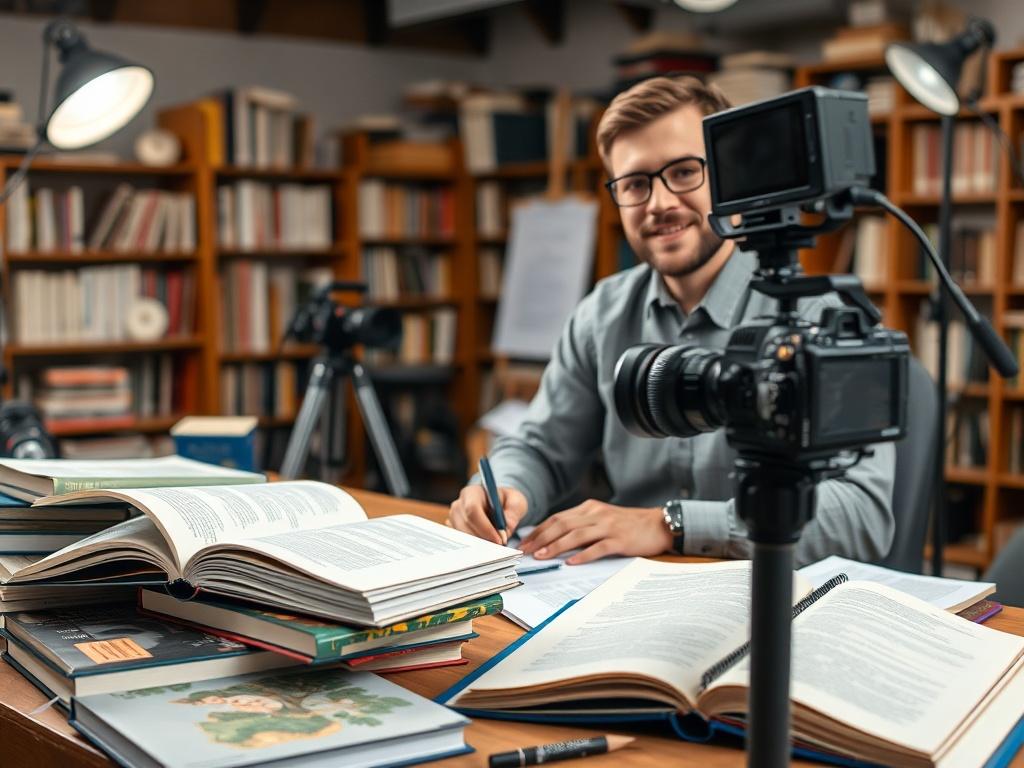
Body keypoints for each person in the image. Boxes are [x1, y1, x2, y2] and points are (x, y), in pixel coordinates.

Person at [448, 76, 895, 568]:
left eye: (684, 172)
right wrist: (503, 488)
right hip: (629, 594)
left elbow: (862, 515)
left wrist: (669, 524)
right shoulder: (603, 312)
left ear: (726, 176)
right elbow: (540, 445)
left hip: (779, 594)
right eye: (635, 184)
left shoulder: (819, 317)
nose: (659, 203)